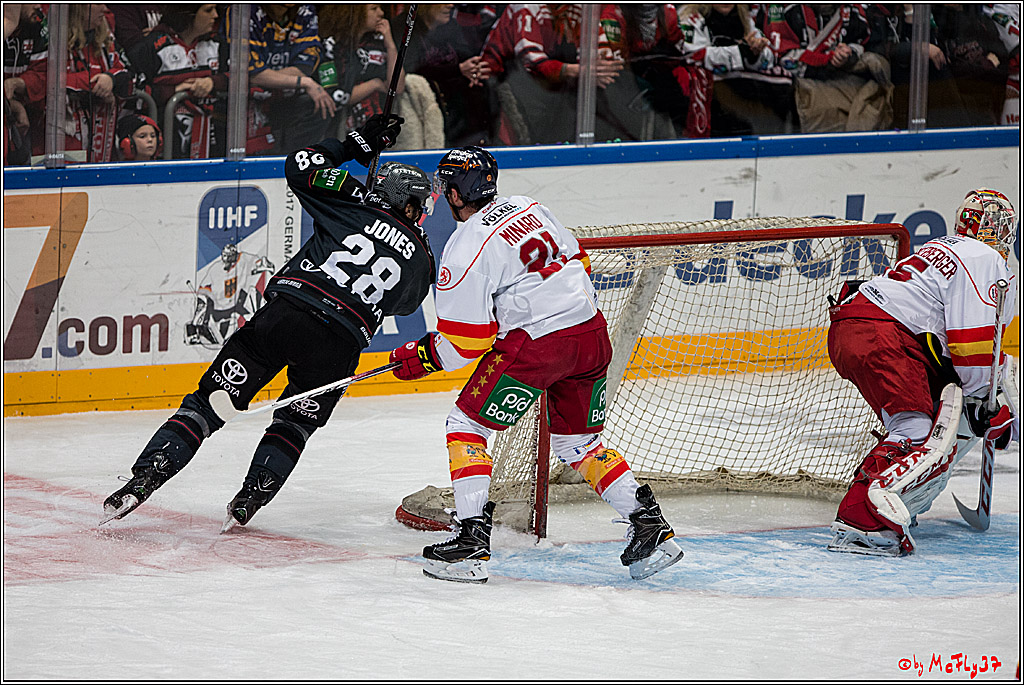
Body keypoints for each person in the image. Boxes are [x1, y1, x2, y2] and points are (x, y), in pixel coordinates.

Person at [101, 113, 437, 531]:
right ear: (408, 203)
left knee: (208, 405)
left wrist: (356, 146)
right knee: (295, 423)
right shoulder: (422, 258)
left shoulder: (350, 200)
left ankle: (143, 479)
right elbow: (407, 304)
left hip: (285, 317)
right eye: (419, 205)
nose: (421, 212)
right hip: (337, 346)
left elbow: (300, 163)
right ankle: (249, 500)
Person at [389, 146, 684, 583]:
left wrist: (418, 359)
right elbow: (579, 260)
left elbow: (465, 343)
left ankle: (471, 542)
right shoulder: (530, 206)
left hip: (539, 345)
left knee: (467, 427)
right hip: (590, 333)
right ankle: (650, 526)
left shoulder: (464, 246)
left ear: (453, 193)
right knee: (578, 445)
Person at [826, 188, 1017, 557]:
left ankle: (904, 500)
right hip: (884, 335)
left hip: (860, 328)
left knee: (928, 422)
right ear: (995, 229)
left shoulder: (943, 248)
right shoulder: (983, 257)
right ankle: (863, 518)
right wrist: (987, 405)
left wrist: (985, 403)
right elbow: (972, 343)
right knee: (916, 432)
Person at [20, 3, 135, 163]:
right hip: (57, 146)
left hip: (101, 147)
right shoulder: (51, 41)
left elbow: (130, 75)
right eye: (97, 3)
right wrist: (94, 83)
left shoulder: (105, 41)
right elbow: (44, 81)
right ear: (77, 7)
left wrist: (111, 79)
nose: (105, 8)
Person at [220, 4, 336, 154]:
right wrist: (303, 82)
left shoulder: (305, 10)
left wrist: (267, 77)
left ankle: (297, 165)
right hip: (243, 103)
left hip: (283, 99)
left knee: (319, 105)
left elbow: (304, 67)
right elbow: (250, 73)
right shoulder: (245, 9)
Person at [128, 4, 228, 159]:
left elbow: (243, 79)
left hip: (212, 145)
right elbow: (132, 93)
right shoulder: (152, 47)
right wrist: (173, 91)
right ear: (187, 14)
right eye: (208, 10)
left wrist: (213, 82)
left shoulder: (217, 45)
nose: (215, 15)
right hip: (166, 147)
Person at [317, 3, 404, 137]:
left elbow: (397, 87)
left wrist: (390, 46)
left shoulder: (377, 41)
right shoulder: (331, 45)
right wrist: (374, 84)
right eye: (374, 9)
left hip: (379, 125)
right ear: (355, 12)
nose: (381, 13)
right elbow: (336, 97)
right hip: (337, 128)